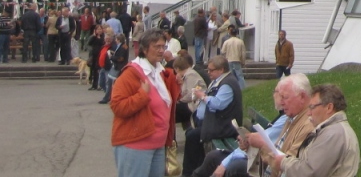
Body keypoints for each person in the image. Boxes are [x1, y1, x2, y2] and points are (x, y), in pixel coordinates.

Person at [192, 73, 314, 177]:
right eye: (279, 95)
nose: (281, 102)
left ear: (302, 97)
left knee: (234, 167)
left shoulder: (307, 124)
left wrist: (261, 145)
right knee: (214, 157)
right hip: (264, 166)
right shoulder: (292, 118)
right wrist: (252, 144)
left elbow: (287, 165)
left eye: (285, 97)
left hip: (267, 169)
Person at [110, 29, 180, 177]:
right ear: (144, 49)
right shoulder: (131, 73)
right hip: (135, 143)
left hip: (158, 144)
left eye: (163, 46)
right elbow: (117, 106)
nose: (161, 50)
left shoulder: (159, 72)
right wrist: (142, 95)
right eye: (156, 46)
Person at [250, 83, 360, 177]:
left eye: (312, 107)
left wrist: (283, 162)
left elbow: (310, 172)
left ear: (329, 108)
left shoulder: (333, 134)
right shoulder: (332, 130)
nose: (309, 113)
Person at [185, 55, 244, 177]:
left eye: (211, 70)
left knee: (192, 137)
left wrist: (202, 96)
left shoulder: (227, 84)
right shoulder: (220, 81)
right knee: (191, 133)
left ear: (221, 69)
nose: (208, 72)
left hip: (223, 127)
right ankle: (194, 170)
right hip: (216, 124)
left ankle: (189, 173)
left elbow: (218, 104)